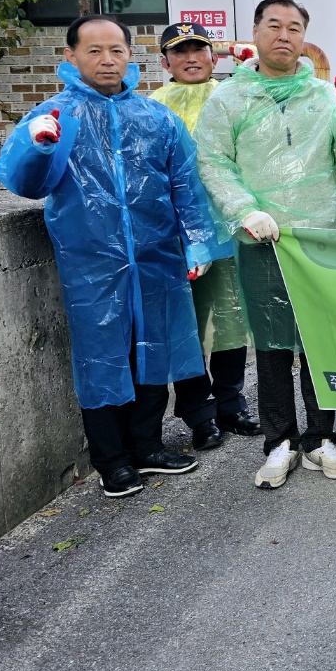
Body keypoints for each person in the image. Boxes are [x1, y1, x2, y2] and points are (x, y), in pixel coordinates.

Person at [0, 16, 229, 498]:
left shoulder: (156, 118)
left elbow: (186, 184)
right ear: (71, 57)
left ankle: (147, 446)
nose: (107, 60)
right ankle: (112, 461)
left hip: (157, 256)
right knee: (102, 357)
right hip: (92, 262)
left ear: (130, 55)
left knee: (154, 349)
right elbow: (26, 184)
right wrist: (41, 149)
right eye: (95, 51)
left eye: (117, 50)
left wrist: (199, 243)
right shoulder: (56, 116)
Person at [195, 0, 336, 488]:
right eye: (274, 25)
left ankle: (320, 438)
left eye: (294, 28)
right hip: (263, 235)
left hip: (318, 234)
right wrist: (245, 210)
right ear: (255, 32)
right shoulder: (230, 98)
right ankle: (278, 443)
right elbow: (212, 161)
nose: (284, 35)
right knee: (271, 344)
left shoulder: (321, 93)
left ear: (304, 38)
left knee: (321, 340)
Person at [148, 22, 258, 451]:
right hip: (176, 233)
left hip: (229, 226)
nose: (191, 58)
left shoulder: (234, 96)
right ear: (164, 62)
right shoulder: (153, 108)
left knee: (233, 318)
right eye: (180, 52)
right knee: (187, 324)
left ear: (215, 57)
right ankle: (198, 413)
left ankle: (231, 403)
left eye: (199, 49)